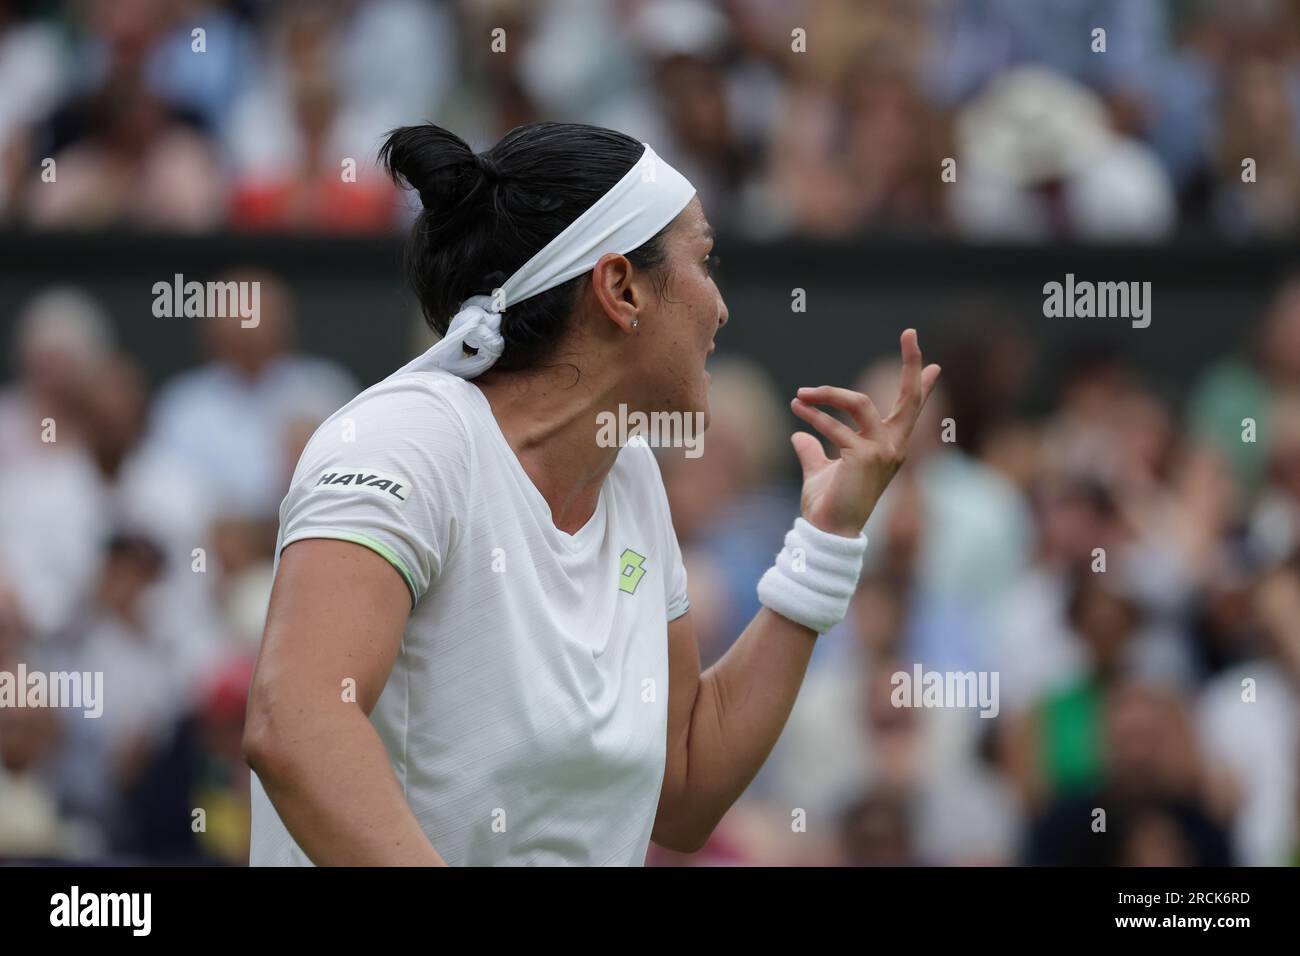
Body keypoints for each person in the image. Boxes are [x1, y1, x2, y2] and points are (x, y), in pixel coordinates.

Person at [243, 121, 939, 866]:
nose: (722, 307)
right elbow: (298, 723)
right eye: (703, 261)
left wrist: (826, 542)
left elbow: (685, 789)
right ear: (620, 288)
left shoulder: (630, 474)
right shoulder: (407, 441)